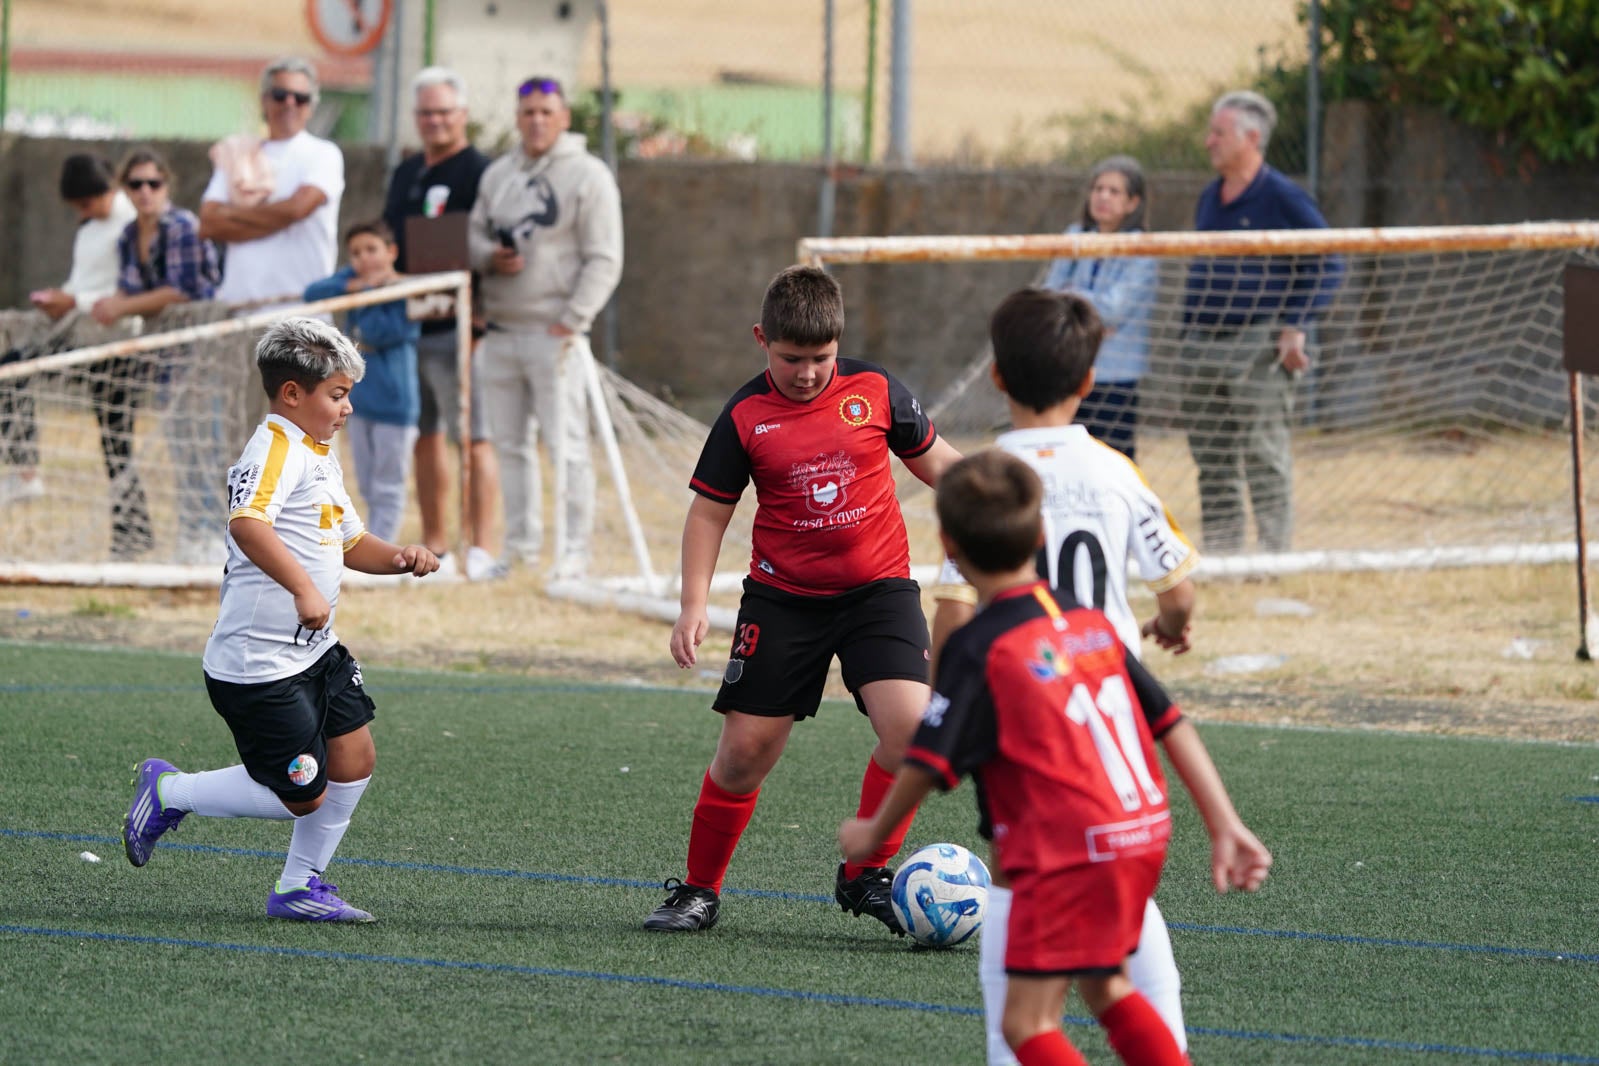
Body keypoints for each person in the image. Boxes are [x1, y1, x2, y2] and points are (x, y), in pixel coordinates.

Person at [841, 448, 1272, 1066]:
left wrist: (871, 835)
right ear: (1041, 536)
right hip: (1140, 833)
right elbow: (1170, 721)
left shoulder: (979, 647)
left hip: (1067, 854)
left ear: (948, 545)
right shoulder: (1087, 621)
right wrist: (1224, 823)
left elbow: (927, 765)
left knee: (1027, 1024)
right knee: (1107, 986)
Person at [642, 265, 962, 935]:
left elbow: (945, 468)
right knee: (743, 755)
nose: (808, 373)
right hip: (782, 601)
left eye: (820, 358)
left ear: (837, 345)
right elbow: (707, 516)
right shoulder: (744, 416)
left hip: (878, 594)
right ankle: (698, 890)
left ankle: (865, 872)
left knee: (912, 735)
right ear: (762, 340)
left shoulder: (875, 391)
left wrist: (1005, 496)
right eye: (792, 358)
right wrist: (692, 604)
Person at [928, 289, 1200, 1062]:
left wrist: (945, 711)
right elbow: (1176, 589)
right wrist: (1169, 629)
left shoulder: (982, 481)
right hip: (1112, 715)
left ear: (996, 378)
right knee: (1120, 911)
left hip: (1022, 727)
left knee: (1018, 967)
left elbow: (950, 618)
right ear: (1087, 382)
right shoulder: (1117, 471)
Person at [121, 316, 439, 923]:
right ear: (292, 393)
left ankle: (298, 888)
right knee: (300, 795)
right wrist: (301, 588)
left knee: (355, 760)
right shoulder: (273, 446)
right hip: (257, 665)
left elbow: (350, 542)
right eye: (338, 396)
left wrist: (398, 558)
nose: (347, 409)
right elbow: (248, 524)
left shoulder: (318, 451)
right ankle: (170, 792)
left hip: (314, 651)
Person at [468, 75, 623, 579]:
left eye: (545, 112)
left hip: (554, 334)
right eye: (528, 112)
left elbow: (605, 258)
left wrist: (572, 321)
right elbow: (469, 238)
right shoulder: (498, 175)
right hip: (501, 331)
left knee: (567, 447)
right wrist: (489, 257)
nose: (536, 120)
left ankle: (573, 555)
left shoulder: (589, 175)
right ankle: (521, 550)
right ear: (517, 117)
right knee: (509, 446)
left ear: (564, 117)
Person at [1182, 89, 1344, 554]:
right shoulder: (1210, 197)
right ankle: (1223, 553)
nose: (1209, 141)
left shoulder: (1283, 197)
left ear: (1251, 138)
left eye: (1219, 132)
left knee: (1263, 454)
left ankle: (1275, 555)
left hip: (1254, 345)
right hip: (1201, 344)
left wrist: (1296, 322)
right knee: (1212, 458)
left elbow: (1329, 261)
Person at [382, 66, 502, 580]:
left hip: (463, 328)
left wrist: (480, 323)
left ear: (463, 115)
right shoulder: (407, 173)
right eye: (426, 113)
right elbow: (390, 242)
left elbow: (494, 249)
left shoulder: (482, 172)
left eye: (444, 112)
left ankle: (484, 547)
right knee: (424, 433)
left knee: (473, 436)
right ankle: (437, 543)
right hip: (413, 327)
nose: (434, 121)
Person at [92, 148, 227, 560]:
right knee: (180, 444)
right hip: (165, 353)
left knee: (207, 443)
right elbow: (130, 290)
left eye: (154, 183)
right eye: (136, 184)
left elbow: (182, 291)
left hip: (203, 349)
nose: (146, 191)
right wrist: (102, 305)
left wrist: (121, 307)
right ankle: (192, 534)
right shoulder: (130, 235)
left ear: (167, 185)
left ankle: (215, 535)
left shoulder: (182, 225)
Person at [201, 57, 344, 441]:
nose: (290, 104)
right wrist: (274, 218)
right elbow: (209, 223)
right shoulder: (239, 154)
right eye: (281, 94)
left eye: (300, 96)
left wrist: (239, 217)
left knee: (309, 441)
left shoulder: (322, 153)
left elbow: (300, 208)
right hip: (243, 317)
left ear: (311, 104)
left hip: (303, 319)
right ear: (265, 100)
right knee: (244, 439)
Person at [4, 153, 136, 506]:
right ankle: (25, 471)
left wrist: (74, 301)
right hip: (80, 334)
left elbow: (131, 292)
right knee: (12, 368)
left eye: (85, 203)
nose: (82, 212)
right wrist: (60, 298)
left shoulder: (133, 221)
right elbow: (83, 283)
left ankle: (132, 530)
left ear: (104, 189)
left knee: (116, 440)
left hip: (120, 341)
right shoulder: (89, 228)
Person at [304, 220, 421, 543]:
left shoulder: (405, 288)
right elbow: (313, 292)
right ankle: (373, 541)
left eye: (372, 249)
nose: (364, 258)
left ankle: (383, 546)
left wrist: (370, 292)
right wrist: (356, 287)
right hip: (360, 402)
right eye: (356, 253)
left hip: (395, 403)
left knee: (389, 483)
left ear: (391, 251)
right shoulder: (352, 279)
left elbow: (384, 332)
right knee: (367, 483)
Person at [1040, 155, 1158, 460]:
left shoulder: (1143, 247)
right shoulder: (1075, 236)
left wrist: (1074, 302)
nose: (1103, 196)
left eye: (1114, 191)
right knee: (1069, 458)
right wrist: (1087, 314)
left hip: (1116, 375)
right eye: (1098, 188)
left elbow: (1114, 309)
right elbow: (1050, 296)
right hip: (1070, 368)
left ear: (1133, 202)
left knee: (1113, 459)